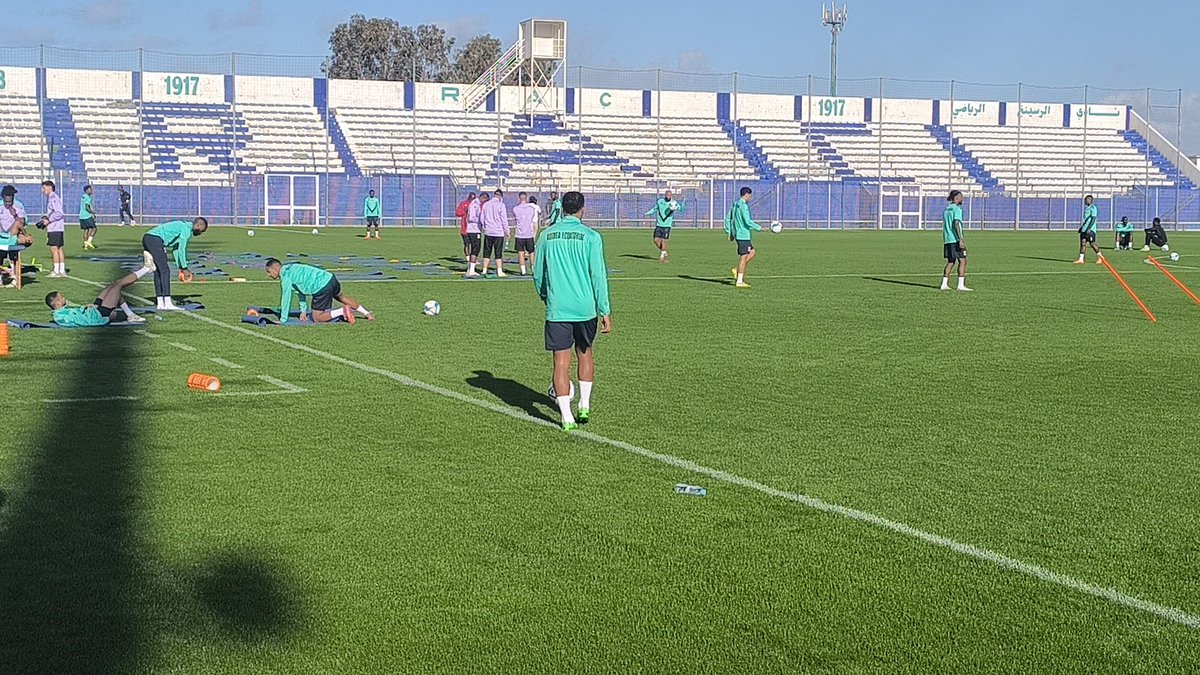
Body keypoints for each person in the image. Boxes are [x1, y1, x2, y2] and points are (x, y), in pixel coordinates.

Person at [533, 191, 611, 431]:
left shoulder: (546, 236)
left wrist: (547, 296)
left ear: (561, 208)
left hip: (559, 308)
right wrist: (604, 310)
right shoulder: (591, 236)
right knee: (585, 354)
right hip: (585, 308)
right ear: (582, 209)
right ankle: (584, 405)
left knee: (560, 363)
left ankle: (566, 418)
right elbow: (598, 275)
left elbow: (538, 274)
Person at [264, 258, 373, 324]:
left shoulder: (285, 276)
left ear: (274, 269)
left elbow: (286, 297)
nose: (268, 275)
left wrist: (283, 319)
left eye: (268, 272)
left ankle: (342, 311)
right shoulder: (291, 267)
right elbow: (299, 292)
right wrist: (303, 310)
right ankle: (366, 313)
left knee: (317, 318)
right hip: (330, 278)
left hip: (321, 286)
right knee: (342, 297)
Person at [44, 265, 154, 326]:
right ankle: (146, 268)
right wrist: (85, 310)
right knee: (118, 286)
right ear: (57, 303)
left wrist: (86, 307)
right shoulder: (60, 316)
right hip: (98, 315)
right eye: (61, 298)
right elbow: (78, 321)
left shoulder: (61, 312)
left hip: (93, 311)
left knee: (112, 286)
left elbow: (77, 315)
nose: (64, 298)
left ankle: (130, 315)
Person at [142, 217, 207, 311]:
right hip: (155, 239)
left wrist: (180, 266)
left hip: (149, 238)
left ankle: (160, 303)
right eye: (202, 230)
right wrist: (185, 268)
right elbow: (182, 249)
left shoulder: (183, 226)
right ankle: (168, 303)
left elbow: (175, 250)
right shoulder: (186, 229)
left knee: (158, 271)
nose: (200, 233)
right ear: (199, 225)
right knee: (165, 271)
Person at [724, 186, 774, 288]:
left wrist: (730, 232)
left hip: (739, 234)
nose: (750, 198)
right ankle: (739, 281)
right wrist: (760, 228)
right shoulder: (743, 206)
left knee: (752, 252)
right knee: (744, 257)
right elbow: (747, 221)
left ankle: (737, 270)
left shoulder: (735, 204)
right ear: (746, 195)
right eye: (750, 196)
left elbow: (728, 218)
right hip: (743, 235)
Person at [940, 190, 972, 292]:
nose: (962, 199)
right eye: (961, 197)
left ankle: (944, 284)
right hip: (955, 239)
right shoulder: (957, 210)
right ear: (956, 198)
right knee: (963, 260)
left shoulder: (947, 210)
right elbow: (956, 223)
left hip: (947, 239)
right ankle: (960, 285)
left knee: (951, 261)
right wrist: (960, 239)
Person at [0, 185, 30, 287]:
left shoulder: (18, 206)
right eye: (6, 201)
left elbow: (22, 222)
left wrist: (16, 216)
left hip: (12, 236)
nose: (8, 203)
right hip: (1, 236)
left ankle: (15, 280)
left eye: (10, 200)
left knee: (14, 257)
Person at [38, 180, 67, 277]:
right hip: (57, 227)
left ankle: (56, 270)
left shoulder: (53, 198)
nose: (43, 190)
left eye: (44, 188)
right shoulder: (52, 198)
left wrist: (48, 220)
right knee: (58, 248)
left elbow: (59, 213)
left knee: (54, 248)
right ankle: (61, 270)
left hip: (55, 228)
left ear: (50, 187)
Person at [480, 189, 510, 277]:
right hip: (498, 232)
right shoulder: (501, 205)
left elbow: (482, 218)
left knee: (486, 251)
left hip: (489, 231)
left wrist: (485, 226)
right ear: (500, 196)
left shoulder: (486, 204)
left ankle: (484, 269)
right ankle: (499, 271)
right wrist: (507, 231)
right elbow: (504, 219)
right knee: (498, 252)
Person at [646, 189, 681, 263]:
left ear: (671, 196)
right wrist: (648, 213)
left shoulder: (673, 203)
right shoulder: (660, 201)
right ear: (665, 195)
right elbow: (654, 209)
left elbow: (680, 209)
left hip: (667, 225)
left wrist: (681, 207)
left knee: (663, 240)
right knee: (655, 240)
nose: (669, 196)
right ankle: (664, 251)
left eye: (670, 195)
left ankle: (662, 255)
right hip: (659, 224)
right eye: (667, 195)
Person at [513, 192, 538, 275]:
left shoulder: (516, 209)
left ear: (519, 198)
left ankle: (523, 270)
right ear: (526, 198)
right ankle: (533, 268)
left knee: (521, 252)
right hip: (529, 234)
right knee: (531, 252)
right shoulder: (531, 209)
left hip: (520, 234)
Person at [1075, 194, 1103, 265]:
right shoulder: (1087, 208)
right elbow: (1087, 220)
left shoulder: (1093, 208)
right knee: (1083, 243)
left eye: (1086, 200)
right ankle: (1081, 259)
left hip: (1090, 230)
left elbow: (1093, 219)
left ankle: (1100, 257)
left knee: (1092, 243)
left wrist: (1089, 228)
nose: (1085, 201)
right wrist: (1082, 228)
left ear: (1090, 200)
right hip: (1084, 229)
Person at [464, 192, 486, 277]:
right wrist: (481, 220)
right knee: (475, 250)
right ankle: (471, 270)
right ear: (482, 198)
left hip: (474, 230)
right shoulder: (475, 205)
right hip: (474, 230)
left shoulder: (476, 204)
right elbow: (471, 217)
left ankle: (470, 268)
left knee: (475, 249)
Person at [455, 192, 476, 261]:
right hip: (465, 228)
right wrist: (465, 213)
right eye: (471, 199)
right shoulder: (464, 204)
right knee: (467, 243)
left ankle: (473, 257)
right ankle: (467, 257)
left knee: (474, 244)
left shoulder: (477, 204)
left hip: (474, 228)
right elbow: (458, 213)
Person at [79, 185, 97, 250]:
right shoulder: (87, 197)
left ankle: (85, 245)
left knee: (86, 230)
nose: (91, 190)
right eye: (90, 189)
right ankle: (89, 242)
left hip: (81, 216)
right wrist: (92, 213)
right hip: (87, 216)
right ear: (86, 190)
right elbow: (87, 207)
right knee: (94, 228)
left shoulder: (83, 196)